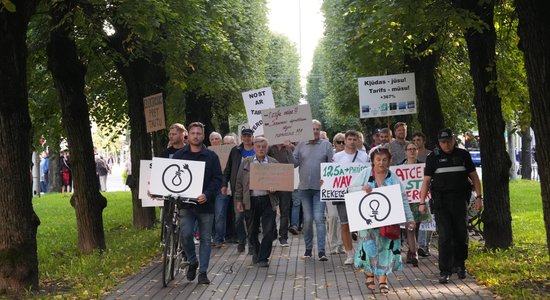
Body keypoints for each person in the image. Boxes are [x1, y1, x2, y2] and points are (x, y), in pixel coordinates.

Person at [419, 128, 483, 284]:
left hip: (460, 200)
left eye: (448, 141)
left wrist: (480, 198)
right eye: (442, 142)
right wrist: (422, 202)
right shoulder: (433, 157)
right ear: (438, 143)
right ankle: (445, 270)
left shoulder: (463, 155)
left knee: (461, 234)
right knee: (445, 236)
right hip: (441, 202)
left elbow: (474, 177)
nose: (446, 144)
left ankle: (460, 265)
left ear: (454, 140)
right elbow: (426, 181)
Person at [348, 147, 415, 294]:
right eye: (378, 159)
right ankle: (370, 274)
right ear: (372, 161)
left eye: (384, 160)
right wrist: (361, 188)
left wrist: (409, 218)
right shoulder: (365, 174)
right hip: (367, 222)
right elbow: (349, 189)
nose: (381, 163)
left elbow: (403, 199)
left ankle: (383, 280)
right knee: (369, 248)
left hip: (389, 222)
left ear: (389, 161)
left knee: (386, 249)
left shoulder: (394, 177)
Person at [172, 122, 223, 285]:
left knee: (206, 240)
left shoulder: (211, 156)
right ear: (188, 135)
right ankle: (193, 261)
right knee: (186, 234)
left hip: (205, 205)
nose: (195, 136)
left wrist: (207, 195)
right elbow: (172, 176)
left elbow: (217, 179)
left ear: (203, 135)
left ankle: (203, 272)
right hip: (186, 205)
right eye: (193, 133)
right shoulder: (180, 155)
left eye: (198, 133)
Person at [235, 137, 279, 267]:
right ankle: (257, 252)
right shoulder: (246, 163)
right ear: (254, 148)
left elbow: (280, 182)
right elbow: (239, 183)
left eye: (263, 147)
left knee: (268, 230)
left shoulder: (273, 163)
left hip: (267, 200)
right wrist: (238, 200)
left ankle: (263, 258)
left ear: (267, 148)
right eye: (258, 146)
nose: (261, 149)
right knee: (252, 230)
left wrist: (274, 189)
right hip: (251, 200)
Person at [293, 119, 333, 261]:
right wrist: (287, 149)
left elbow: (332, 166)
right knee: (308, 219)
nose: (315, 131)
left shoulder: (326, 145)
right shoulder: (300, 145)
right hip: (304, 188)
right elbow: (293, 163)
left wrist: (328, 181)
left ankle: (322, 251)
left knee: (319, 218)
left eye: (317, 129)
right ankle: (308, 249)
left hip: (320, 189)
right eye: (312, 129)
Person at [332, 130, 370, 265]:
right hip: (342, 195)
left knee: (362, 225)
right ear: (345, 140)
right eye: (350, 139)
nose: (352, 142)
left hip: (359, 194)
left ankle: (362, 251)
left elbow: (368, 174)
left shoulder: (364, 157)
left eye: (355, 139)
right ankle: (349, 253)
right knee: (344, 224)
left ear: (358, 141)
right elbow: (331, 175)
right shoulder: (337, 157)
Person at [222, 128, 255, 252]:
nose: (247, 138)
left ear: (252, 137)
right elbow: (228, 169)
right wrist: (224, 184)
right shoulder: (235, 150)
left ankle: (252, 244)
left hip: (253, 189)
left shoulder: (257, 149)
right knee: (238, 219)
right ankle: (242, 239)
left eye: (249, 136)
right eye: (245, 136)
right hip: (238, 190)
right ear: (241, 137)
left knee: (251, 220)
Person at [400, 143, 432, 267]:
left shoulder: (423, 167)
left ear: (417, 151)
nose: (412, 151)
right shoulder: (400, 168)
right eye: (410, 149)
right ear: (405, 152)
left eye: (414, 149)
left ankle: (412, 250)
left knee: (417, 226)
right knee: (410, 226)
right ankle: (413, 253)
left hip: (419, 201)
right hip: (407, 201)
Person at [267, 140, 294, 247]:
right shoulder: (269, 147)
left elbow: (294, 164)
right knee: (271, 210)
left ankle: (283, 237)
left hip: (285, 182)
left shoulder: (290, 148)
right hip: (272, 182)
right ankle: (272, 233)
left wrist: (289, 149)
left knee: (285, 211)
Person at [412, 132, 433, 257]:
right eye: (414, 140)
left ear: (423, 141)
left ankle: (425, 245)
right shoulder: (410, 156)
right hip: (415, 192)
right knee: (418, 219)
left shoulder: (429, 155)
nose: (416, 142)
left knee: (428, 219)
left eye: (418, 139)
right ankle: (419, 245)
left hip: (429, 191)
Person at [326, 133, 346, 255]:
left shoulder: (349, 156)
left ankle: (342, 244)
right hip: (331, 189)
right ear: (334, 143)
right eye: (339, 142)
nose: (341, 144)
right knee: (333, 216)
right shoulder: (330, 155)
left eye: (344, 142)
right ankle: (333, 244)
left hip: (345, 190)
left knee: (343, 218)